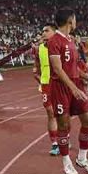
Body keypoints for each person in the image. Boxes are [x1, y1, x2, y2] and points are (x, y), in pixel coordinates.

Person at [48, 9, 88, 174]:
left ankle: (82, 158)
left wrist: (87, 78)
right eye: (75, 18)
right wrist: (73, 88)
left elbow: (74, 67)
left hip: (76, 83)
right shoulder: (54, 41)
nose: (76, 21)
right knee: (64, 125)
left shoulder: (70, 40)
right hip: (61, 87)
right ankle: (66, 162)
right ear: (70, 20)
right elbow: (57, 68)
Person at [34, 24, 60, 156]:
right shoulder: (39, 49)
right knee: (50, 112)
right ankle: (55, 143)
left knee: (62, 114)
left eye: (46, 30)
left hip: (60, 83)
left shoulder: (61, 46)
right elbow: (37, 67)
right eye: (42, 31)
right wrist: (39, 77)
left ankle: (63, 137)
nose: (43, 33)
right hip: (46, 84)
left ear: (54, 33)